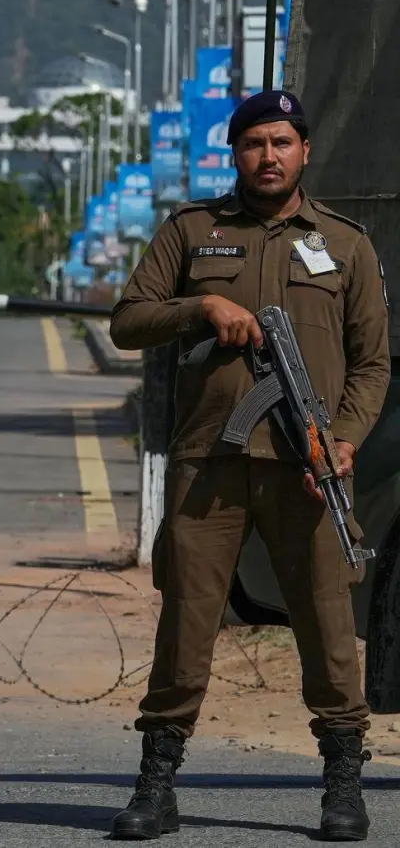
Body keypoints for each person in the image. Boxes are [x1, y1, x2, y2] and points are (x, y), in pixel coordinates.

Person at [108, 90, 389, 842]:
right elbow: (129, 320)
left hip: (309, 465)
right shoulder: (193, 231)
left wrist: (347, 437)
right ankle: (157, 783)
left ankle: (341, 786)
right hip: (212, 463)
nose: (268, 156)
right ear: (234, 153)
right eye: (254, 143)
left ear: (303, 152)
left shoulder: (346, 244)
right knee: (187, 625)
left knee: (328, 627)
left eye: (282, 143)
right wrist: (200, 309)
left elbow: (372, 364)